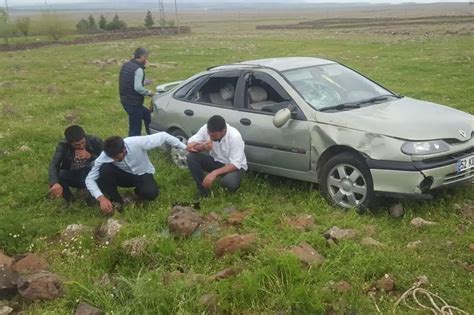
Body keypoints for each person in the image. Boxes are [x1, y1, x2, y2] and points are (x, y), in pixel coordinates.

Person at [86, 133, 186, 215]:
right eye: (111, 157)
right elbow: (89, 179)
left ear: (123, 149)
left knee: (151, 193)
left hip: (142, 174)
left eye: (116, 157)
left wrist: (185, 147)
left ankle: (137, 195)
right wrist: (101, 198)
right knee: (104, 169)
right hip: (123, 176)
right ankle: (117, 200)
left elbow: (164, 136)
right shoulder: (105, 156)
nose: (114, 160)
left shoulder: (136, 142)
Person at [186, 115, 247, 198]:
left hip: (232, 167)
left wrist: (214, 173)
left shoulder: (235, 136)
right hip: (215, 161)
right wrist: (202, 146)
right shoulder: (206, 129)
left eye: (213, 136)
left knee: (229, 183)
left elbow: (235, 164)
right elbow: (189, 146)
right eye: (209, 134)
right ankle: (203, 191)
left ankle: (225, 193)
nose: (210, 137)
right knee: (192, 157)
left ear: (223, 131)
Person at [48, 125, 102, 207]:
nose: (81, 146)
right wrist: (54, 183)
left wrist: (90, 156)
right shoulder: (63, 145)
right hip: (74, 174)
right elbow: (54, 164)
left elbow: (106, 159)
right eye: (77, 145)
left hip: (92, 174)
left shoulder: (95, 141)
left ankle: (94, 199)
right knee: (59, 174)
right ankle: (70, 201)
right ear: (70, 143)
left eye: (83, 142)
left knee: (100, 167)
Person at [119, 47, 155, 136]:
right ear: (142, 57)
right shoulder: (139, 70)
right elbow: (138, 88)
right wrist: (149, 92)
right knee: (135, 129)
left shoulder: (126, 65)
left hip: (125, 100)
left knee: (147, 116)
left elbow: (128, 80)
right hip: (133, 103)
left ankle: (151, 136)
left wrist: (144, 81)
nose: (146, 60)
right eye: (146, 57)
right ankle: (131, 146)